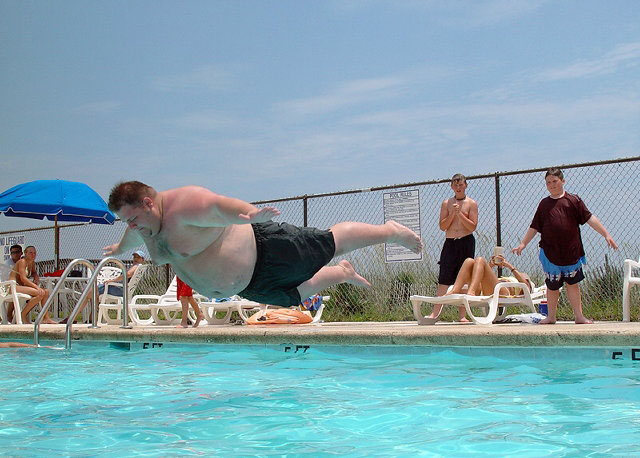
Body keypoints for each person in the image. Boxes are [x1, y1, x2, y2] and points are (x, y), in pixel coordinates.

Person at [103, 181, 423, 307]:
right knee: (292, 297)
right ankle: (341, 273)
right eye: (125, 222)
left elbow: (218, 206)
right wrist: (119, 249)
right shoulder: (143, 226)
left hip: (266, 251)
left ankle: (390, 231)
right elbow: (133, 234)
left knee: (330, 242)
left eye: (132, 218)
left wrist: (248, 214)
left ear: (148, 203)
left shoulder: (183, 205)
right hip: (248, 285)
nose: (131, 226)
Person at [512, 167, 618, 324]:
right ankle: (551, 317)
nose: (552, 185)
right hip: (550, 253)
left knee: (572, 284)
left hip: (571, 252)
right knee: (552, 286)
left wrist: (606, 234)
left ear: (563, 181)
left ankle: (579, 316)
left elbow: (590, 218)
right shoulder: (544, 204)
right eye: (548, 182)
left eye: (555, 181)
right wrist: (523, 244)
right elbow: (534, 226)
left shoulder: (573, 200)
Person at [427, 173, 478, 322]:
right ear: (451, 186)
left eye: (461, 184)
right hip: (450, 242)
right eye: (455, 185)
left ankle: (462, 315)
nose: (458, 187)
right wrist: (452, 214)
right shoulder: (446, 203)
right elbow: (442, 226)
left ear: (465, 185)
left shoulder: (471, 203)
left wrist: (460, 214)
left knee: (465, 278)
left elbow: (472, 226)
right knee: (444, 277)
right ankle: (435, 313)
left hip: (466, 241)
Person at [61, 250, 146, 324]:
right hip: (122, 289)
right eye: (134, 257)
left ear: (142, 259)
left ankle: (73, 317)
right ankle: (91, 317)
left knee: (88, 293)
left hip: (120, 289)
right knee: (91, 293)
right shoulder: (139, 267)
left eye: (138, 257)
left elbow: (127, 274)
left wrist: (112, 280)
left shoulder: (136, 266)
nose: (135, 259)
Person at [9, 245, 56, 324]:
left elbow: (33, 272)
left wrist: (36, 276)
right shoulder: (22, 262)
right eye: (30, 253)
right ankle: (23, 315)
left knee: (46, 292)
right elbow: (23, 278)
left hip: (21, 286)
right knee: (40, 293)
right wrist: (37, 287)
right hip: (12, 286)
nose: (33, 255)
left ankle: (46, 318)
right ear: (25, 253)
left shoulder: (32, 263)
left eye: (34, 253)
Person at [2, 244, 23, 321]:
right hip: (6, 287)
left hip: (15, 285)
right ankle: (10, 315)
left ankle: (20, 316)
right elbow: (11, 279)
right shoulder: (8, 264)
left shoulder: (22, 262)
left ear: (21, 253)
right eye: (12, 253)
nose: (15, 254)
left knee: (39, 292)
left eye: (17, 252)